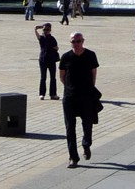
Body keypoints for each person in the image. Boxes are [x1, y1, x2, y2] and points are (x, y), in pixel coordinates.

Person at [59, 32, 100, 168]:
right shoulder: (65, 57)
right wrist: (70, 88)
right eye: (73, 42)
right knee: (70, 128)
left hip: (86, 96)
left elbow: (93, 74)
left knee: (87, 124)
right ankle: (73, 157)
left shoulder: (90, 55)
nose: (76, 44)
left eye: (78, 41)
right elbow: (62, 76)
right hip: (69, 97)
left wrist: (90, 89)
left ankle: (86, 144)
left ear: (83, 41)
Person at [35, 22, 59, 100]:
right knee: (43, 77)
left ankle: (53, 94)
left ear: (50, 30)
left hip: (51, 60)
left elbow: (56, 48)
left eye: (47, 29)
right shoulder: (41, 38)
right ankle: (42, 94)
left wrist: (55, 48)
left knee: (53, 77)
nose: (46, 31)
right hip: (43, 59)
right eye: (44, 29)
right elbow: (37, 35)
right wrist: (36, 28)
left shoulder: (52, 39)